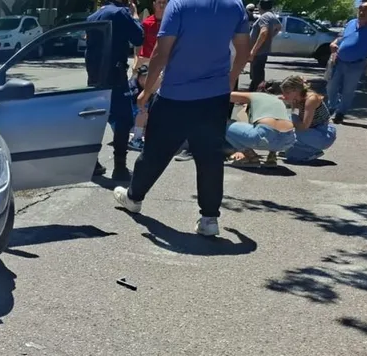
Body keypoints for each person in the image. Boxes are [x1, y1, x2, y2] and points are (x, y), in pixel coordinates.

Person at [112, 0, 250, 237]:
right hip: (214, 96)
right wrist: (230, 80)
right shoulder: (235, 5)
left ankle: (134, 197)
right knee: (210, 157)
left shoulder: (178, 5)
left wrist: (147, 91)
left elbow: (160, 52)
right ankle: (209, 218)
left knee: (155, 152)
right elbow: (243, 50)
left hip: (175, 96)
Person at [86, 0, 144, 181]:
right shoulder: (120, 13)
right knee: (124, 120)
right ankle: (120, 167)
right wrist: (134, 15)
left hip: (95, 77)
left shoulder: (92, 16)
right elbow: (138, 38)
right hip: (115, 77)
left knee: (95, 120)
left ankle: (91, 163)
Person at [326, 2, 367, 123]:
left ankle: (341, 112)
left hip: (356, 64)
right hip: (338, 60)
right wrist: (334, 43)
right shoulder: (351, 22)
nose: (361, 12)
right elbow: (341, 37)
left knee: (348, 90)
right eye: (360, 9)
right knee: (331, 86)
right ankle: (333, 106)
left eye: (365, 10)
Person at [265, 77, 336, 163]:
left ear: (296, 90)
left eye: (287, 93)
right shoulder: (297, 98)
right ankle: (301, 148)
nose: (284, 95)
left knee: (288, 130)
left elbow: (304, 126)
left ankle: (313, 151)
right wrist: (292, 104)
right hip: (311, 131)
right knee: (290, 155)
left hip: (323, 133)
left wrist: (286, 127)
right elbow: (295, 115)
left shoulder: (311, 99)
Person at [223, 91, 296, 167]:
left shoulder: (255, 96)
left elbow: (226, 95)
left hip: (263, 137)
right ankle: (272, 155)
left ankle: (250, 156)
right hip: (287, 141)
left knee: (223, 125)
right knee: (277, 124)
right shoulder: (278, 100)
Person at [248, 0, 280, 92]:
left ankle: (257, 94)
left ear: (261, 6)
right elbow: (279, 27)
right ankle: (254, 91)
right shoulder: (271, 15)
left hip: (258, 51)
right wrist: (270, 36)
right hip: (263, 51)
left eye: (258, 4)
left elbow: (263, 32)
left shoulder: (264, 17)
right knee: (257, 75)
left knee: (257, 76)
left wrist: (253, 51)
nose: (257, 6)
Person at [127, 64, 151, 150]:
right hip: (128, 119)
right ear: (140, 77)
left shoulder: (150, 85)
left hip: (137, 119)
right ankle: (136, 140)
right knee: (143, 112)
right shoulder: (133, 87)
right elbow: (138, 104)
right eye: (145, 78)